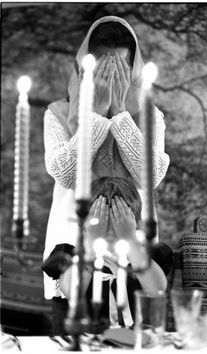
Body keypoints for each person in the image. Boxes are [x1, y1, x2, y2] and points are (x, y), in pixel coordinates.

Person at [42, 15, 170, 329]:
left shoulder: (151, 115)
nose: (111, 79)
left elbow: (149, 176)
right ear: (85, 68)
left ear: (135, 70)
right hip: (73, 251)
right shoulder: (58, 112)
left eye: (121, 70)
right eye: (102, 71)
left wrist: (122, 114)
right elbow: (66, 173)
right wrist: (96, 115)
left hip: (135, 250)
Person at [42, 177, 173, 334]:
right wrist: (91, 243)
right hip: (85, 343)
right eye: (102, 223)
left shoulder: (142, 258)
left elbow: (157, 290)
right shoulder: (73, 257)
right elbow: (72, 291)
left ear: (135, 223)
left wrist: (129, 240)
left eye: (119, 223)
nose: (110, 231)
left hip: (135, 343)